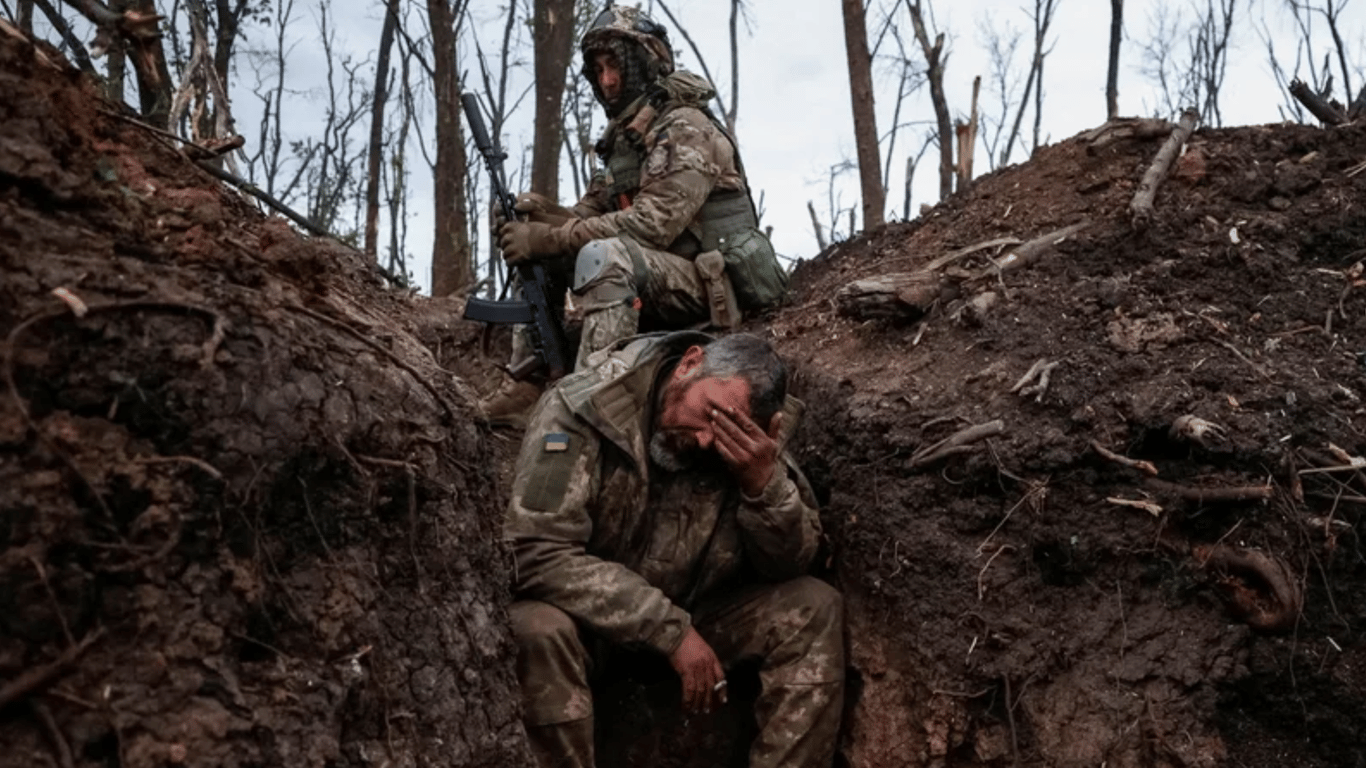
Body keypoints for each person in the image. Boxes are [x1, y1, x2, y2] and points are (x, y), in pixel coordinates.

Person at [504, 331, 845, 768]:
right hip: (594, 628)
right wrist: (671, 632)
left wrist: (764, 487)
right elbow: (534, 550)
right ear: (689, 363)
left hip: (703, 612)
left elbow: (791, 566)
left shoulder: (751, 442)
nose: (706, 440)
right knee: (536, 628)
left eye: (724, 432)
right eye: (709, 415)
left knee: (814, 607)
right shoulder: (583, 408)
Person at [480, 6, 788, 426]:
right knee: (547, 252)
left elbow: (652, 225)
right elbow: (588, 214)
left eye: (616, 66)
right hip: (654, 276)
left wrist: (550, 236)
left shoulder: (685, 127)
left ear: (646, 64)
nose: (607, 80)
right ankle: (527, 386)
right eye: (600, 69)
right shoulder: (623, 139)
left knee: (605, 256)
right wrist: (540, 218)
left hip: (709, 286)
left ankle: (593, 407)